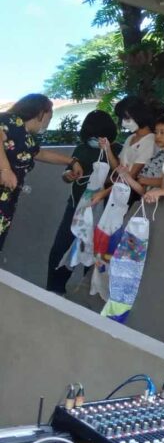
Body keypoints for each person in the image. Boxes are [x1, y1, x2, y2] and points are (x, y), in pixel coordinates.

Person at [47, 110, 121, 294]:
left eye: (99, 135)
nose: (94, 139)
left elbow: (120, 174)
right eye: (91, 135)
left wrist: (107, 150)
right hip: (75, 206)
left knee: (94, 252)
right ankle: (54, 289)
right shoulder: (81, 149)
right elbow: (66, 174)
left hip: (102, 210)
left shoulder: (117, 149)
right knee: (61, 248)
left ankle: (87, 293)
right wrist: (69, 175)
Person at [0, 94, 76, 250]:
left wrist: (71, 161)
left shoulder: (26, 136)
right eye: (49, 117)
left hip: (7, 200)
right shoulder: (9, 120)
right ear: (41, 113)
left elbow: (40, 153)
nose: (48, 122)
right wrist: (5, 169)